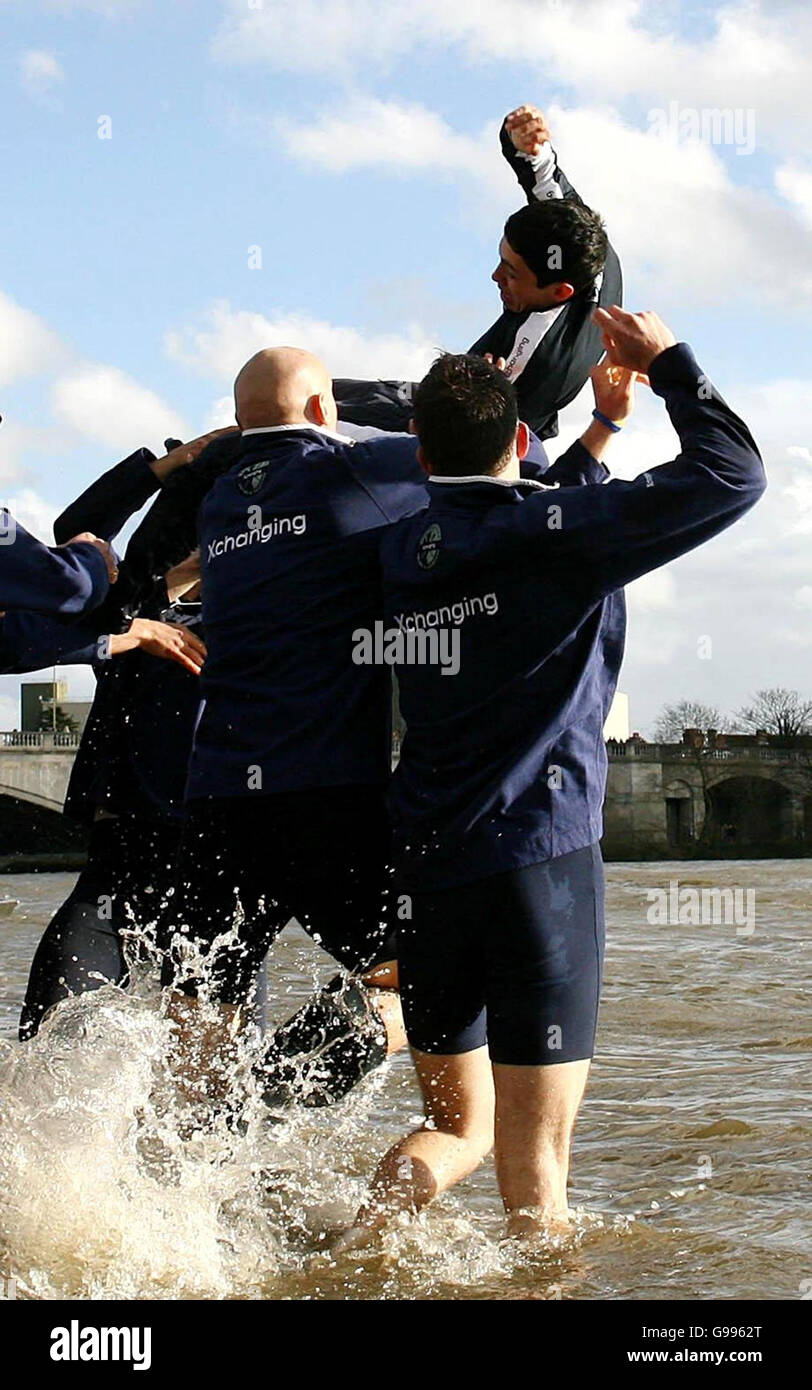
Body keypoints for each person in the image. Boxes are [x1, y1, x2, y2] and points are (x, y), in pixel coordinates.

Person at [335, 306, 766, 1247]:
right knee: (539, 1183)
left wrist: (602, 432)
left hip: (431, 864)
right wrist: (671, 366)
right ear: (521, 438)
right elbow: (734, 474)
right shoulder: (563, 534)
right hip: (542, 862)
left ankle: (344, 1259)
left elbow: (504, 515)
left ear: (417, 451)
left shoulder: (402, 550)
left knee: (457, 1131)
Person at [158, 346, 626, 1114]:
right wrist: (588, 422)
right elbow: (498, 458)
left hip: (214, 796)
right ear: (320, 412)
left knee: (202, 1013)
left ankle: (188, 1173)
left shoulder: (217, 505)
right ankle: (286, 1090)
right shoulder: (354, 471)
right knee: (426, 975)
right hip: (324, 797)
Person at [17, 435, 225, 1040]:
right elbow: (78, 531)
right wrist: (161, 467)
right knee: (46, 1047)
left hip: (217, 878)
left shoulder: (266, 618)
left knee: (211, 1097)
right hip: (118, 875)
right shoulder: (132, 619)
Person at [333, 103, 621, 441]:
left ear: (560, 292)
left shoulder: (536, 364)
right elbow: (544, 176)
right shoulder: (582, 240)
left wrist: (483, 391)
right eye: (501, 259)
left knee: (292, 407)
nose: (495, 277)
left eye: (511, 273)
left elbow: (458, 433)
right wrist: (528, 142)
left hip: (454, 434)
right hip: (445, 402)